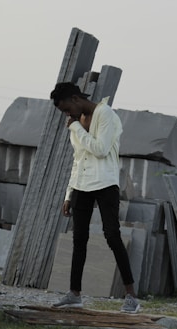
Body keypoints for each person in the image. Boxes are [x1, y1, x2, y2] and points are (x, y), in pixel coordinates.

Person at [49, 82, 140, 313]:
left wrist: (77, 128)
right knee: (79, 239)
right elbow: (78, 159)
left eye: (67, 109)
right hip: (81, 185)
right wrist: (69, 193)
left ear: (76, 99)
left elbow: (100, 149)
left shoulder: (105, 114)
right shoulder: (77, 122)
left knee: (112, 235)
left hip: (105, 183)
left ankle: (131, 296)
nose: (67, 115)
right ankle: (74, 294)